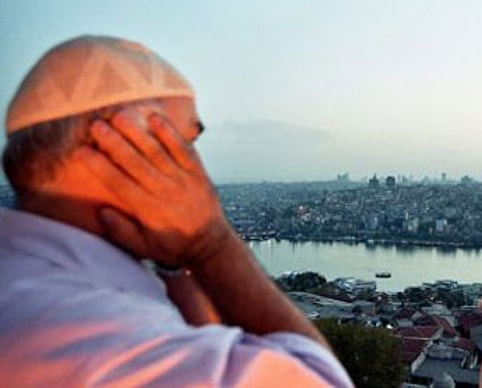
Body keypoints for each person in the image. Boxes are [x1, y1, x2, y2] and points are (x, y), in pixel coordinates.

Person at [0, 35, 353, 387]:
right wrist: (210, 243)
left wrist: (173, 262)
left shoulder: (30, 278)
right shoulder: (98, 339)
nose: (196, 167)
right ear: (118, 141)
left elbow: (207, 344)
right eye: (186, 141)